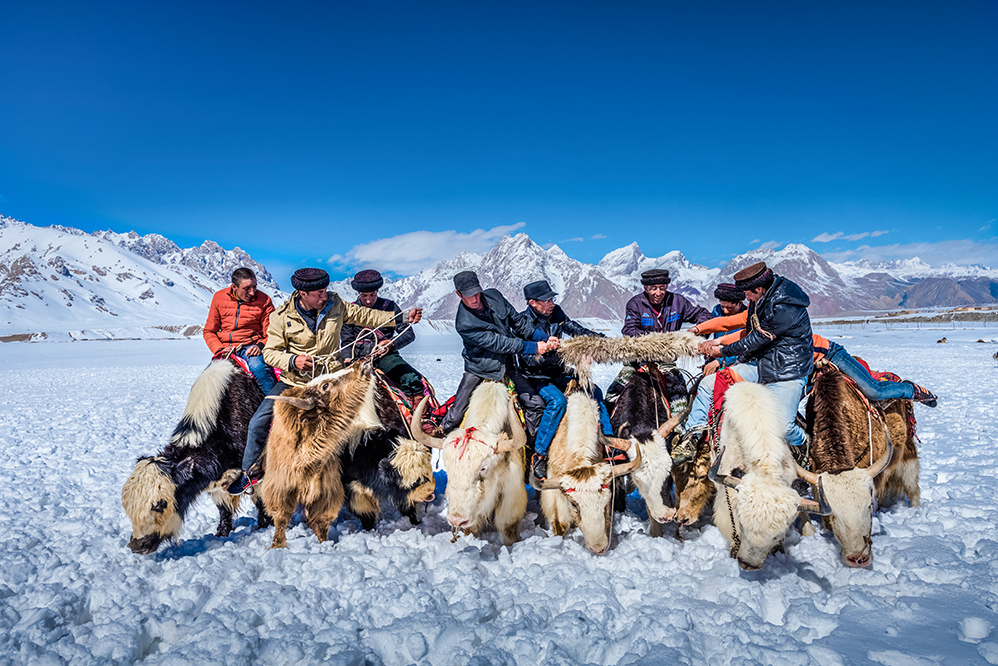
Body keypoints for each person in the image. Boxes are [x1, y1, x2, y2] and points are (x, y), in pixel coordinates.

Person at [228, 267, 422, 494]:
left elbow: (365, 316)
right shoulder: (280, 317)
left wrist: (400, 317)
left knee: (369, 419)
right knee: (258, 421)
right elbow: (270, 353)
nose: (324, 296)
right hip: (296, 382)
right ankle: (250, 472)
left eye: (325, 291)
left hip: (333, 378)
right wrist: (293, 360)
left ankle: (377, 468)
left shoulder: (335, 304)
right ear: (302, 293)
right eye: (319, 293)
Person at [702, 261, 812, 450]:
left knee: (782, 427)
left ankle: (804, 444)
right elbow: (748, 332)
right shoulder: (760, 300)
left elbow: (756, 339)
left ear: (759, 289)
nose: (746, 299)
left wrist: (722, 352)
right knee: (708, 384)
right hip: (765, 364)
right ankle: (695, 432)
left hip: (788, 371)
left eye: (747, 294)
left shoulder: (783, 306)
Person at [438, 271, 557, 442]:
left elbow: (519, 322)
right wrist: (534, 347)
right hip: (480, 369)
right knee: (456, 414)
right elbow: (500, 344)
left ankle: (530, 446)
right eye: (468, 295)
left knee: (536, 405)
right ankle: (444, 438)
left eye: (476, 293)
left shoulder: (495, 296)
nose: (474, 299)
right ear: (458, 294)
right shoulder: (464, 323)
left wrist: (543, 337)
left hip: (508, 366)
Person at [516, 280, 614, 480]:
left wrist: (599, 340)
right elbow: (528, 359)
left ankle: (609, 443)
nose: (552, 303)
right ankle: (540, 454)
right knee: (557, 401)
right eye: (547, 300)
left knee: (594, 392)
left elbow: (576, 330)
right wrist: (562, 354)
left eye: (552, 299)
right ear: (532, 303)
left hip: (559, 373)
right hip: (536, 377)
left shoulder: (556, 314)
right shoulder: (522, 323)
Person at [607, 268, 713, 400]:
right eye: (653, 288)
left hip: (666, 361)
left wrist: (697, 331)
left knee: (680, 401)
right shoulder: (635, 304)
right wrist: (658, 342)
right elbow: (629, 330)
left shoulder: (678, 302)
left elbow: (703, 314)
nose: (658, 293)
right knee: (611, 397)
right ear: (645, 288)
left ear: (667, 286)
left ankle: (680, 421)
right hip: (639, 361)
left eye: (662, 288)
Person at [340, 269, 428, 405]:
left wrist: (390, 344)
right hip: (356, 358)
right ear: (358, 293)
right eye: (364, 296)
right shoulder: (351, 310)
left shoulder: (390, 307)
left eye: (372, 295)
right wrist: (347, 359)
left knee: (412, 379)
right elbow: (346, 340)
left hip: (385, 357)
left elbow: (408, 334)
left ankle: (420, 418)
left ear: (377, 292)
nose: (368, 300)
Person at [202, 267, 277, 394]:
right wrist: (219, 349)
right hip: (226, 349)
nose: (252, 292)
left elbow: (273, 332)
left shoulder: (265, 300)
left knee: (259, 370)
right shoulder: (219, 298)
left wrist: (260, 346)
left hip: (251, 348)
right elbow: (209, 331)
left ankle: (276, 407)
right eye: (247, 288)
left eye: (254, 286)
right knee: (205, 382)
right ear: (234, 287)